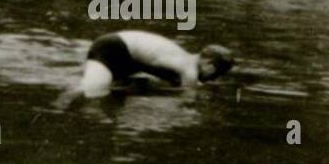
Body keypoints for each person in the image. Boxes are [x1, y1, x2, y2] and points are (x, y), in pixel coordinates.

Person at [76, 30, 235, 98]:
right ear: (210, 66)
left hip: (121, 52)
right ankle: (59, 105)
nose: (213, 79)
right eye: (216, 74)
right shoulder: (189, 71)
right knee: (89, 92)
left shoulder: (183, 58)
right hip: (115, 49)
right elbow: (186, 101)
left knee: (96, 91)